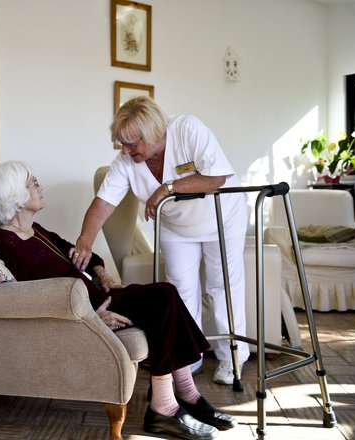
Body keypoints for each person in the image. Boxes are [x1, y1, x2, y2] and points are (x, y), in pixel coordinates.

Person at [0, 161, 236, 440]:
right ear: (14, 195)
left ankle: (183, 397)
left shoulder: (36, 230)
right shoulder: (7, 242)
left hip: (100, 296)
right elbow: (33, 294)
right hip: (90, 308)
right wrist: (89, 315)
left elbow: (78, 255)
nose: (39, 186)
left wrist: (101, 271)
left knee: (166, 294)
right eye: (32, 183)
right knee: (163, 297)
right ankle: (169, 405)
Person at [73, 96, 249, 385]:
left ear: (155, 132)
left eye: (133, 144)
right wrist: (85, 240)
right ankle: (188, 357)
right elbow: (104, 202)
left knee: (222, 285)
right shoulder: (126, 161)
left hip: (221, 217)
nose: (127, 150)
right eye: (122, 144)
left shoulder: (188, 130)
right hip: (177, 226)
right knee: (180, 289)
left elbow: (216, 177)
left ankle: (232, 359)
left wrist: (166, 188)